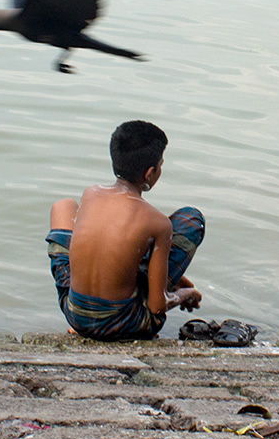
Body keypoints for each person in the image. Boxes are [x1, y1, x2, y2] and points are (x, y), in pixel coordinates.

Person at [46, 120, 205, 340]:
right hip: (123, 324)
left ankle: (84, 310)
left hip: (75, 313)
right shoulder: (158, 223)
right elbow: (157, 306)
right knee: (192, 219)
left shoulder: (91, 193)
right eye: (161, 164)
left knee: (63, 207)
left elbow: (104, 245)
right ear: (150, 174)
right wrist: (184, 294)